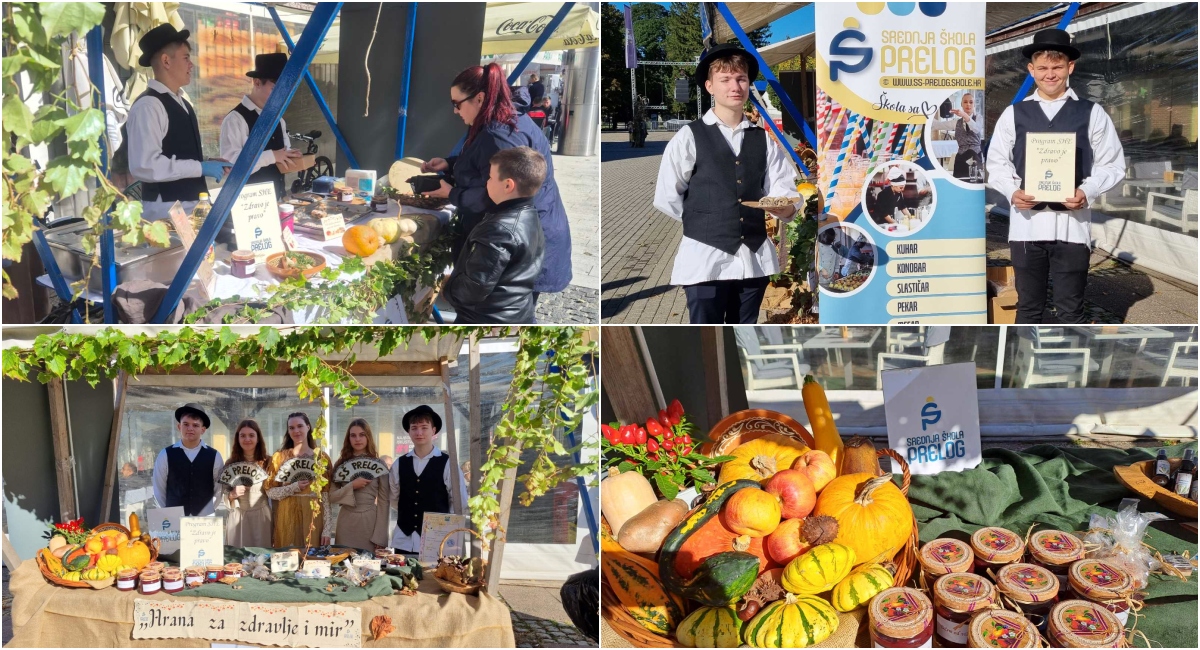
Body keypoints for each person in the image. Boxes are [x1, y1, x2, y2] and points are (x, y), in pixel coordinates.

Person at [985, 28, 1124, 324]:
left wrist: (1088, 190)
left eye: (1057, 67)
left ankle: (1067, 367)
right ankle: (1021, 366)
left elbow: (1112, 164)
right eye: (1043, 68)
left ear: (1070, 67)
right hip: (1027, 228)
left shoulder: (1092, 113)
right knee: (1028, 308)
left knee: (1071, 310)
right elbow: (996, 162)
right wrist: (1011, 191)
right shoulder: (1014, 113)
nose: (1050, 74)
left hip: (1072, 227)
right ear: (1031, 70)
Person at [653, 44, 799, 324]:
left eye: (741, 79)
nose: (735, 86)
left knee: (744, 333)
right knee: (706, 336)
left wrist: (785, 208)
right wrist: (707, 219)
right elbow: (667, 196)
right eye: (726, 79)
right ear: (710, 86)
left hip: (753, 261)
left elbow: (784, 187)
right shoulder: (688, 137)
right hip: (704, 261)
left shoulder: (763, 138)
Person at [420, 63, 572, 303]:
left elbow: (500, 193)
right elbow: (489, 165)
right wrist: (451, 164)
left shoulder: (500, 132)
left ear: (479, 98)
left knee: (503, 316)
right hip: (528, 234)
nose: (455, 111)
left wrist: (453, 194)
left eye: (456, 104)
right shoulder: (505, 118)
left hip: (521, 242)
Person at [126, 24, 230, 206]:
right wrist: (200, 167)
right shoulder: (148, 106)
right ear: (166, 61)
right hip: (165, 209)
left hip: (190, 205)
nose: (191, 65)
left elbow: (175, 151)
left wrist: (205, 162)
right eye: (186, 58)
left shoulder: (181, 102)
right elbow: (146, 166)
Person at [443, 146, 546, 323]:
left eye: (490, 178)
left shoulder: (499, 230)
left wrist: (448, 289)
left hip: (486, 319)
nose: (486, 183)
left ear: (508, 185)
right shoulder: (530, 214)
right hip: (516, 312)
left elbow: (474, 288)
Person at [219, 53, 301, 201]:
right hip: (248, 204)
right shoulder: (235, 119)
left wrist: (293, 157)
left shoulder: (279, 120)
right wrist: (273, 156)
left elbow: (283, 154)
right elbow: (231, 166)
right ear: (257, 82)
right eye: (275, 88)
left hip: (278, 198)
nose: (280, 95)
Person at [389, 406, 468, 553]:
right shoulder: (399, 464)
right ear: (409, 432)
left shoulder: (448, 464)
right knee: (403, 575)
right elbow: (394, 498)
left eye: (424, 427)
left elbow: (460, 502)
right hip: (404, 540)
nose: (419, 432)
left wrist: (441, 521)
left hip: (437, 540)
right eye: (414, 428)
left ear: (434, 431)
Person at [265, 412, 332, 547]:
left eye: (300, 426)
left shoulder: (321, 458)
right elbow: (270, 492)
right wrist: (293, 487)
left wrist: (327, 529)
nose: (296, 431)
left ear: (308, 427)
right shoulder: (279, 458)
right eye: (292, 428)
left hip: (313, 515)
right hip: (287, 515)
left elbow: (325, 496)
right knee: (288, 559)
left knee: (312, 560)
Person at [327, 419, 391, 551]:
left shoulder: (379, 464)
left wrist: (380, 536)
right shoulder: (340, 464)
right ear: (348, 438)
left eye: (362, 435)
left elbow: (384, 501)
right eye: (353, 435)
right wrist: (352, 486)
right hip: (346, 522)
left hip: (370, 523)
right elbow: (331, 497)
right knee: (343, 563)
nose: (357, 439)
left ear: (368, 437)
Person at [151, 404, 223, 516]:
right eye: (186, 424)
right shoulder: (165, 454)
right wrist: (169, 513)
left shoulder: (215, 455)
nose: (190, 428)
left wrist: (207, 511)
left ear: (203, 430)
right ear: (179, 427)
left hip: (204, 522)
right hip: (174, 518)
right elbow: (159, 490)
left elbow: (218, 489)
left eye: (195, 425)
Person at [220, 419, 273, 547]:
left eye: (251, 435)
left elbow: (275, 492)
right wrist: (232, 494)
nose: (247, 439)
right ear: (237, 439)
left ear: (258, 438)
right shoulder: (230, 463)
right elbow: (223, 492)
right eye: (242, 435)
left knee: (262, 557)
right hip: (238, 516)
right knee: (238, 558)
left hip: (262, 517)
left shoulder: (268, 462)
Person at [948, 93, 983, 180]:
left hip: (975, 156)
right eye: (965, 102)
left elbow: (976, 129)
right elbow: (938, 125)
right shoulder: (956, 122)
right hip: (960, 157)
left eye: (971, 102)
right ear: (961, 104)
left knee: (975, 183)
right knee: (959, 183)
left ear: (974, 104)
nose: (968, 104)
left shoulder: (979, 118)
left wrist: (964, 115)